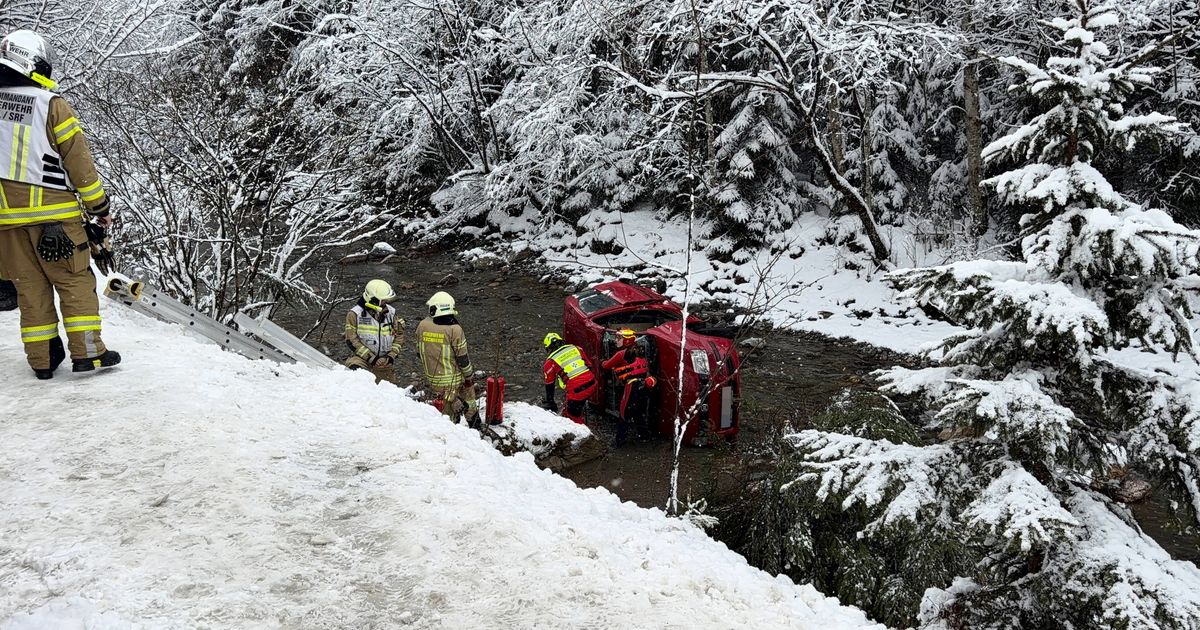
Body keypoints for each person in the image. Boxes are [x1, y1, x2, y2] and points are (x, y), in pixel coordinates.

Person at [0, 30, 118, 380]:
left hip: (6, 225)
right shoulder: (51, 105)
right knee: (74, 283)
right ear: (32, 63)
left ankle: (42, 361)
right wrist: (99, 207)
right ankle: (88, 354)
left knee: (30, 290)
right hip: (56, 220)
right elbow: (80, 165)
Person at [416, 291, 481, 428]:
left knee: (447, 417)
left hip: (434, 380)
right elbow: (463, 359)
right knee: (468, 405)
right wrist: (469, 376)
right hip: (455, 379)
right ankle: (476, 430)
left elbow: (419, 352)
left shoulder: (422, 325)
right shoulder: (455, 329)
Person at [602, 329, 657, 446]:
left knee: (624, 413)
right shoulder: (639, 350)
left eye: (619, 338)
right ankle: (644, 436)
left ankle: (619, 441)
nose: (615, 341)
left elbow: (606, 366)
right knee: (638, 412)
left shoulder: (620, 354)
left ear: (626, 341)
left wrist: (602, 361)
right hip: (644, 386)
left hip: (632, 386)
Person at [344, 279, 403, 384]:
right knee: (357, 381)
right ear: (372, 299)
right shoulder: (354, 314)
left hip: (384, 362)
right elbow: (351, 341)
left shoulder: (391, 313)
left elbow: (399, 336)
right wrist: (372, 358)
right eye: (383, 300)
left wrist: (391, 356)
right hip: (360, 359)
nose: (386, 303)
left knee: (389, 392)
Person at [542, 332, 597, 425]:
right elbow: (589, 366)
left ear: (548, 348)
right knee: (575, 404)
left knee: (572, 417)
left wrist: (550, 402)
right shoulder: (576, 348)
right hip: (592, 382)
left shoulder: (550, 361)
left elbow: (549, 385)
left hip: (577, 390)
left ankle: (582, 432)